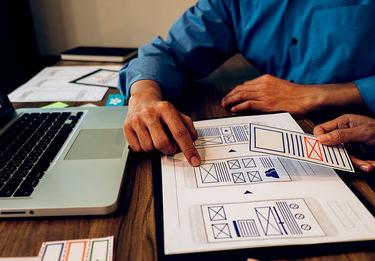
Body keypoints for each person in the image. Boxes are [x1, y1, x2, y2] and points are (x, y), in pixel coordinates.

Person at [118, 0, 375, 166]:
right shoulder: (233, 4)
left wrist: (318, 95)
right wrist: (144, 96)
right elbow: (169, 52)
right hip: (293, 140)